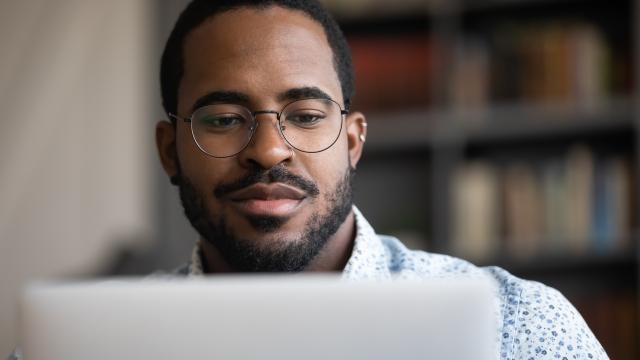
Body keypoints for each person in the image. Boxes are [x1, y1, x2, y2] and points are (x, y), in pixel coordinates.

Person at [6, 1, 608, 359]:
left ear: (352, 141)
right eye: (222, 119)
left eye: (306, 116)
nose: (269, 150)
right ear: (169, 151)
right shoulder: (75, 350)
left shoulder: (521, 329)